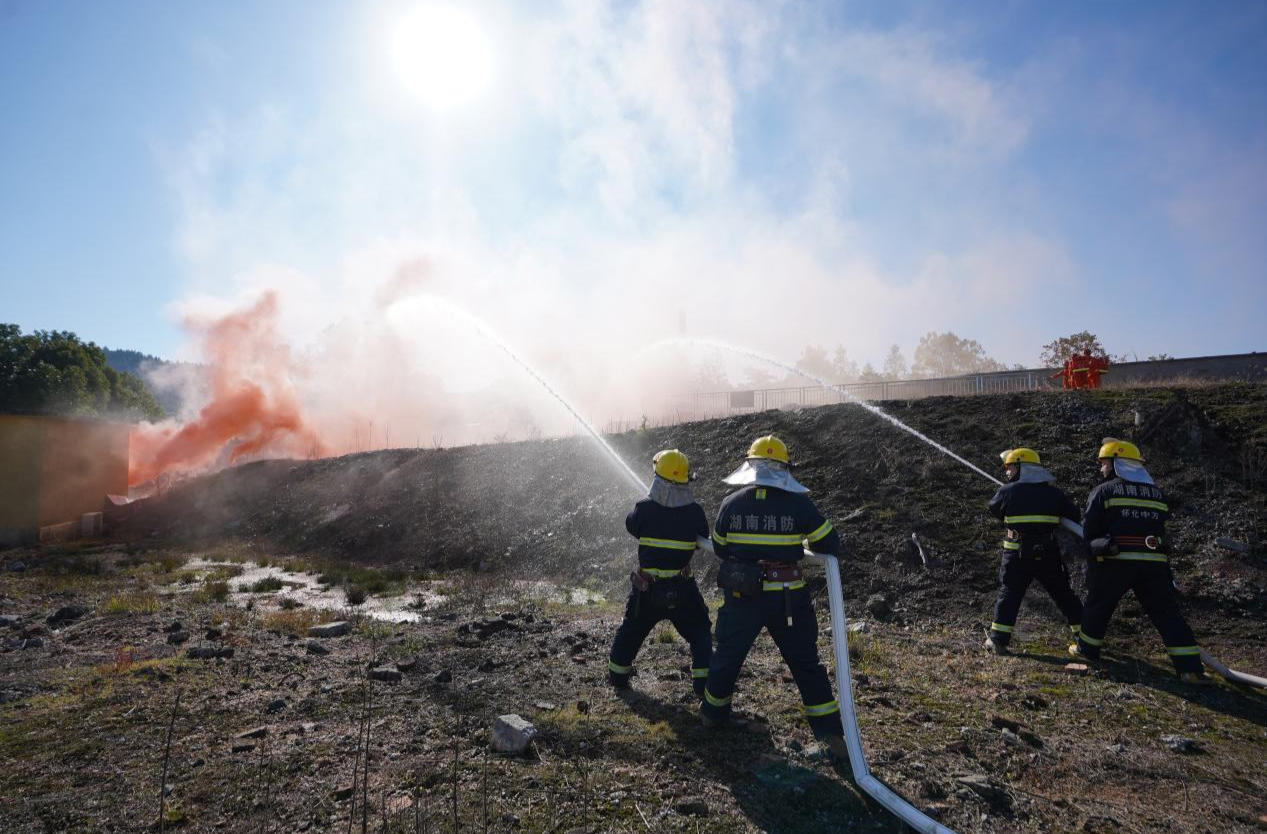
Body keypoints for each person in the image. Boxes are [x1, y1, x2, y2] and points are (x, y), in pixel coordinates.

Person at [700, 435, 846, 757]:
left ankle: (712, 714)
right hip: (787, 599)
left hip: (742, 596)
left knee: (727, 656)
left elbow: (721, 547)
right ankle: (830, 736)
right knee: (806, 664)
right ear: (784, 468)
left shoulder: (731, 503)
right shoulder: (798, 504)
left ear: (749, 465)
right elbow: (829, 543)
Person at [1070, 439, 1213, 684]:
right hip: (1154, 563)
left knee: (1099, 605)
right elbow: (1162, 527)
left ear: (1116, 464)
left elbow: (1090, 529)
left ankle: (1087, 650)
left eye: (1104, 463)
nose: (1101, 468)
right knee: (1167, 613)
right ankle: (1190, 668)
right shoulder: (1156, 492)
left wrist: (1096, 548)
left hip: (1117, 561)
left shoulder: (1104, 490)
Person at [608, 449, 713, 696]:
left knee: (631, 633)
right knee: (700, 634)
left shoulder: (643, 509)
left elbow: (632, 525)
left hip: (647, 589)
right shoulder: (695, 512)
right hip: (682, 589)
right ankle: (702, 686)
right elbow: (701, 537)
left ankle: (618, 679)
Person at [984, 448, 1084, 654]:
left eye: (1010, 468)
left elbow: (995, 509)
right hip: (1048, 553)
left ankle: (998, 641)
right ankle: (1087, 639)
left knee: (1010, 594)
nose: (1007, 473)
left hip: (1016, 554)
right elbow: (1073, 514)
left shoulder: (1007, 491)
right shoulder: (1055, 494)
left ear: (1022, 468)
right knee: (1064, 594)